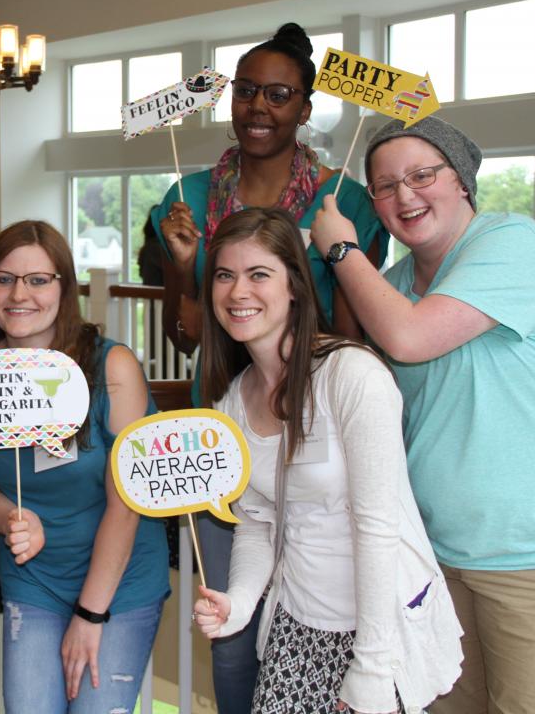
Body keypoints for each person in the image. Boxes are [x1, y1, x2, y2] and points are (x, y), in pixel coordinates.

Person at [310, 115, 535, 714]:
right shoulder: (393, 285)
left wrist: (340, 249)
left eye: (422, 174)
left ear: (460, 180)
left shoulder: (512, 241)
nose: (405, 195)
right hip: (440, 557)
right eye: (384, 185)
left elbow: (409, 338)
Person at [150, 22, 388, 714]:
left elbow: (353, 332)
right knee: (231, 628)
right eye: (246, 92)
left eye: (278, 94)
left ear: (305, 108)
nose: (258, 107)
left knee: (318, 621)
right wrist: (191, 272)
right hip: (223, 439)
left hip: (317, 439)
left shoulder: (344, 203)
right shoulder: (187, 198)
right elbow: (186, 331)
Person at [192, 207, 463, 714]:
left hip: (377, 632)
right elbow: (255, 524)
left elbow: (378, 525)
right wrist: (241, 602)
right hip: (294, 626)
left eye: (259, 275)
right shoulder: (230, 401)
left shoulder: (351, 375)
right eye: (225, 275)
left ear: (294, 285)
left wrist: (373, 668)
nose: (237, 291)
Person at [0, 221, 169, 714]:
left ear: (63, 289)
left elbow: (127, 502)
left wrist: (91, 615)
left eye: (38, 280)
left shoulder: (111, 368)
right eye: (3, 279)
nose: (18, 294)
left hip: (121, 580)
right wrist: (11, 518)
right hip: (35, 580)